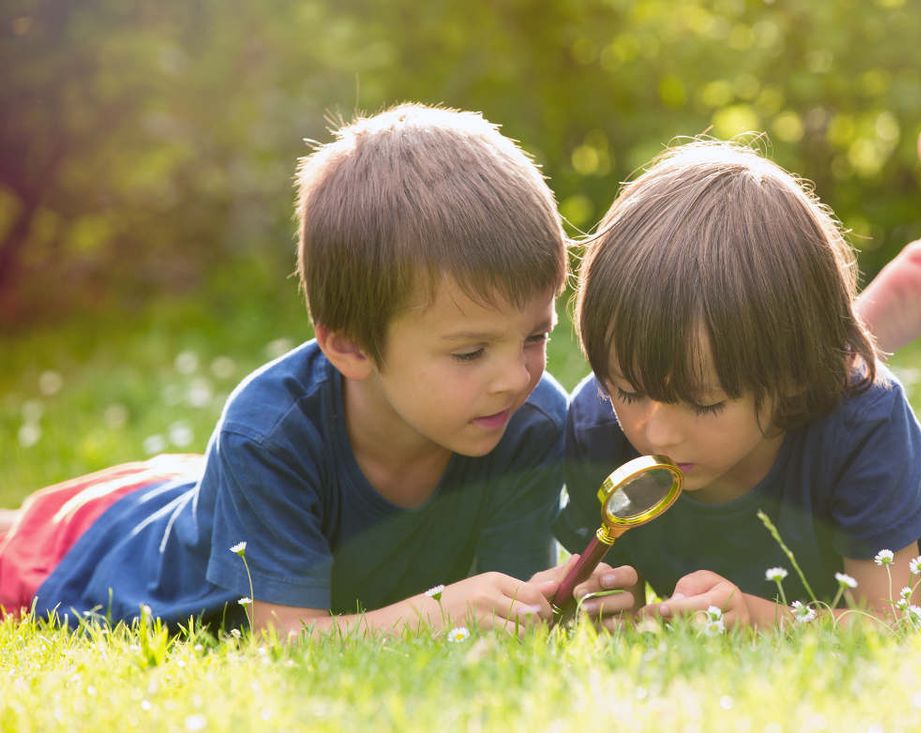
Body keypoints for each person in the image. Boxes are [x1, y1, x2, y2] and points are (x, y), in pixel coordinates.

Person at [0, 103, 635, 635]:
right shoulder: (267, 433)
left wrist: (560, 597)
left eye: (535, 335)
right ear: (352, 346)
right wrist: (441, 609)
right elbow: (287, 640)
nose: (514, 377)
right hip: (104, 551)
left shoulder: (532, 421)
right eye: (470, 352)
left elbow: (510, 607)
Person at [555, 119, 921, 628]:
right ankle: (849, 333)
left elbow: (891, 626)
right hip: (808, 409)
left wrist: (756, 618)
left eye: (703, 403)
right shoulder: (597, 424)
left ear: (792, 381)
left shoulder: (865, 422)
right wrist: (616, 611)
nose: (655, 433)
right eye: (626, 390)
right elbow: (619, 608)